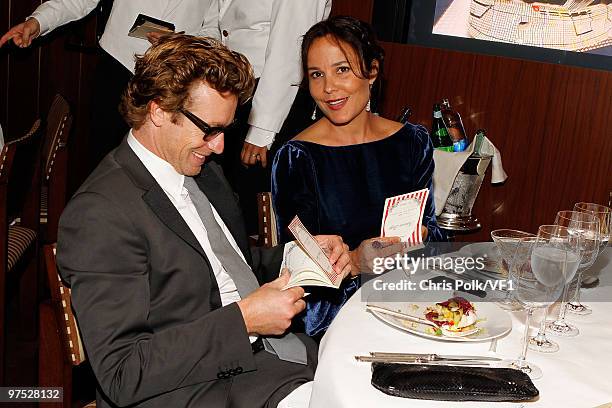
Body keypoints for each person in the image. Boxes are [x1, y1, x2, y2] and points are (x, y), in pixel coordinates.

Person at [56, 35, 351, 407]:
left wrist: (299, 256)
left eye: (225, 130)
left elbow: (230, 266)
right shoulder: (100, 213)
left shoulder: (202, 171)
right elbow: (122, 373)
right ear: (159, 110)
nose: (219, 147)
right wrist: (243, 321)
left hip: (272, 360)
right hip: (193, 390)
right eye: (209, 129)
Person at [271, 16, 447, 337]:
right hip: (333, 315)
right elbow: (300, 267)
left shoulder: (412, 142)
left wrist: (419, 239)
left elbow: (432, 233)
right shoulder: (297, 157)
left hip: (408, 298)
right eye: (316, 74)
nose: (328, 88)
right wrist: (354, 261)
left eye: (342, 70)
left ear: (373, 71)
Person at [0, 0, 216, 168]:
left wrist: (184, 45)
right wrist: (38, 22)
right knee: (105, 162)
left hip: (175, 78)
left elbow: (214, 28)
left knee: (162, 165)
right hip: (117, 69)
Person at [198, 0, 331, 234]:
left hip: (274, 101)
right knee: (233, 200)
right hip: (234, 90)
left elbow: (290, 50)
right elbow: (215, 23)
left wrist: (262, 129)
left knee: (263, 212)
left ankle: (268, 267)